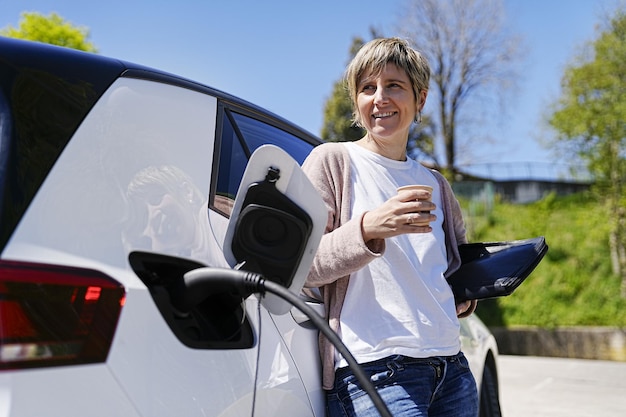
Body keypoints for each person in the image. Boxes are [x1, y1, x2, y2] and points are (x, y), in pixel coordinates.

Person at [302, 37, 479, 417]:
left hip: (451, 367)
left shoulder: (436, 183)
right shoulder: (332, 162)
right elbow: (301, 266)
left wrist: (467, 293)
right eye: (367, 88)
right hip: (375, 372)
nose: (379, 98)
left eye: (393, 86)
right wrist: (368, 228)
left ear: (421, 99)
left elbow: (449, 271)